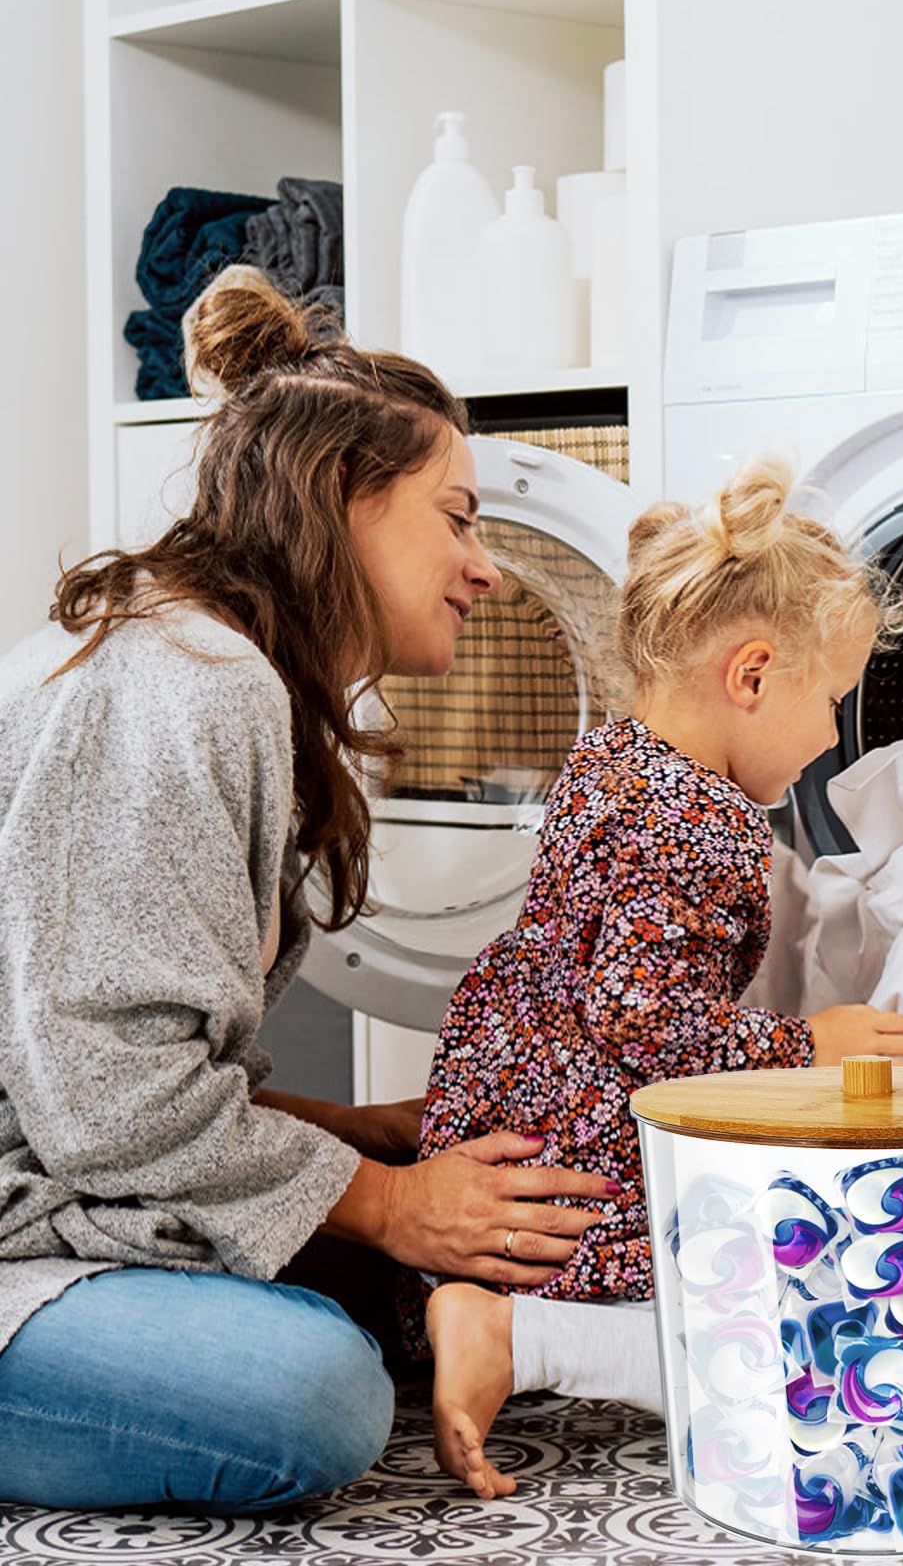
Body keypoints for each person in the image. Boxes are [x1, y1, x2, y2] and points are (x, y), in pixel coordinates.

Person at [0, 266, 629, 1514]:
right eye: (455, 517)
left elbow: (100, 1056)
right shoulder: (190, 682)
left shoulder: (215, 662)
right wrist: (390, 1203)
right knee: (315, 1398)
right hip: (21, 1217)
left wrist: (351, 1135)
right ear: (343, 495)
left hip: (54, 1167)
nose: (484, 567)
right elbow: (108, 1101)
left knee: (417, 1292)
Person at [417, 459, 903, 1498]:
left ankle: (472, 1306)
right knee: (795, 1350)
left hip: (511, 1117)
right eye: (829, 700)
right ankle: (515, 1332)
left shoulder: (608, 760)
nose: (833, 735)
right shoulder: (704, 822)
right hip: (584, 1180)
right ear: (750, 676)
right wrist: (807, 1044)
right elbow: (643, 1021)